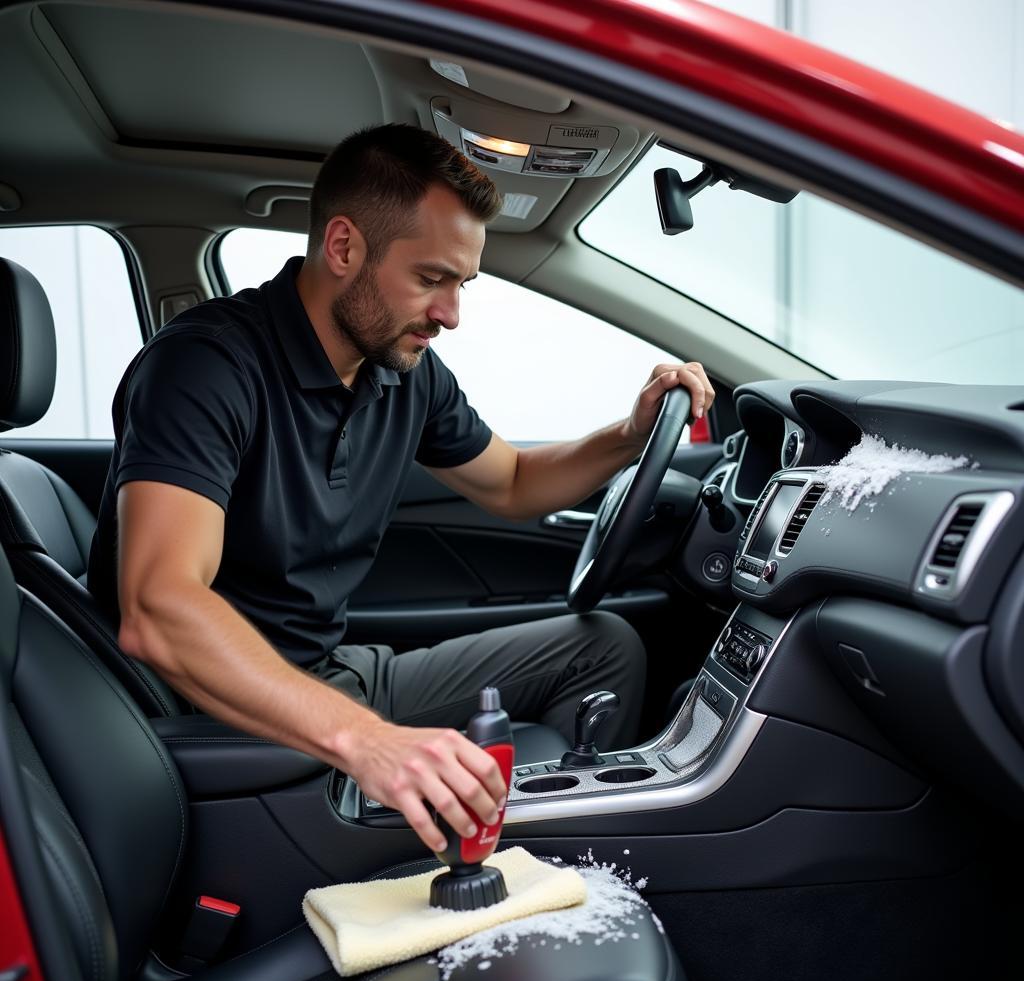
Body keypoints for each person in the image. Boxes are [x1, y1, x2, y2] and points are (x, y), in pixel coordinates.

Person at [88, 123, 715, 855]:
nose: (451, 314)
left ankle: (560, 863)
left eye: (461, 284)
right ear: (345, 247)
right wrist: (368, 742)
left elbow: (512, 483)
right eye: (431, 279)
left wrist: (628, 435)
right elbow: (160, 608)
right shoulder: (204, 369)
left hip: (334, 670)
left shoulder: (400, 368)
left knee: (601, 647)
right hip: (221, 711)